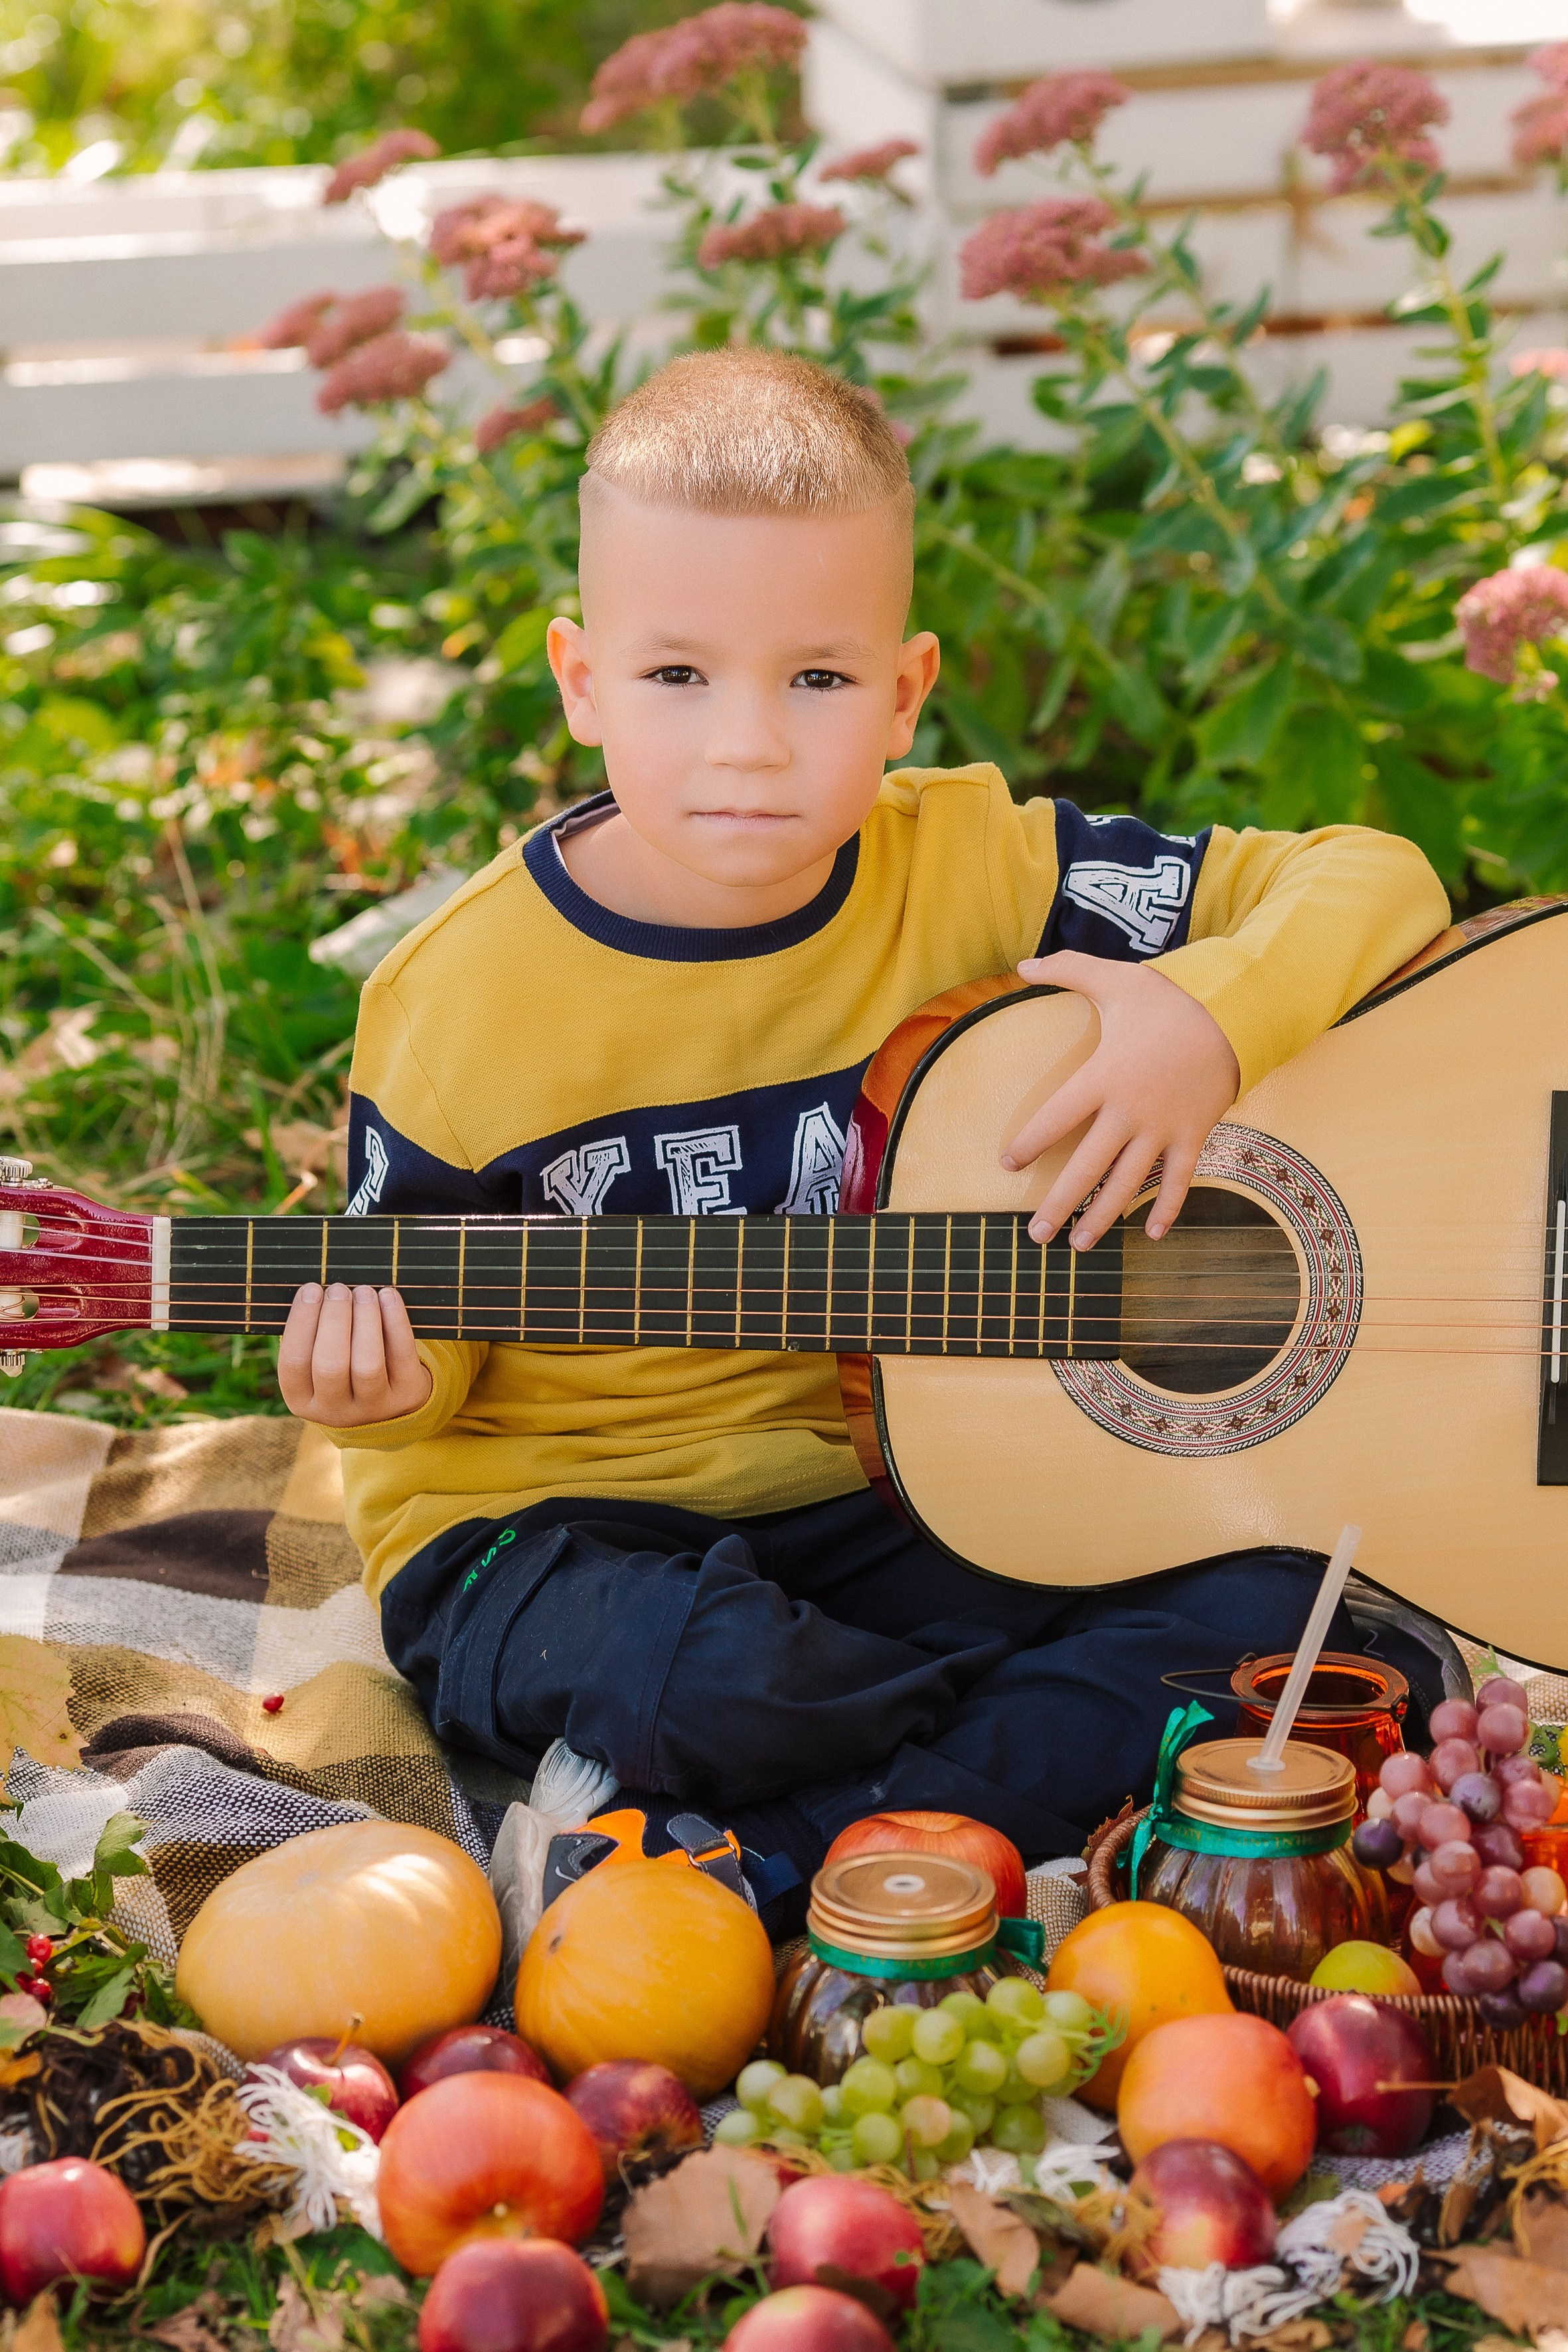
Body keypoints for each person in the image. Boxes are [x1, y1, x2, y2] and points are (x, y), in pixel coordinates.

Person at [277, 347, 1450, 1908]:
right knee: (716, 1674)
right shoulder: (458, 992)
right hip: (551, 1530)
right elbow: (420, 1377)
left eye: (815, 678)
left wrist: (1208, 1013)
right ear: (578, 677)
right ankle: (940, 1799)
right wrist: (378, 1388)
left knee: (1319, 1627)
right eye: (675, 675)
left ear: (902, 691)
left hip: (908, 1491)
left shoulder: (978, 865)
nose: (747, 742)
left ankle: (792, 1854)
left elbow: (1375, 877)